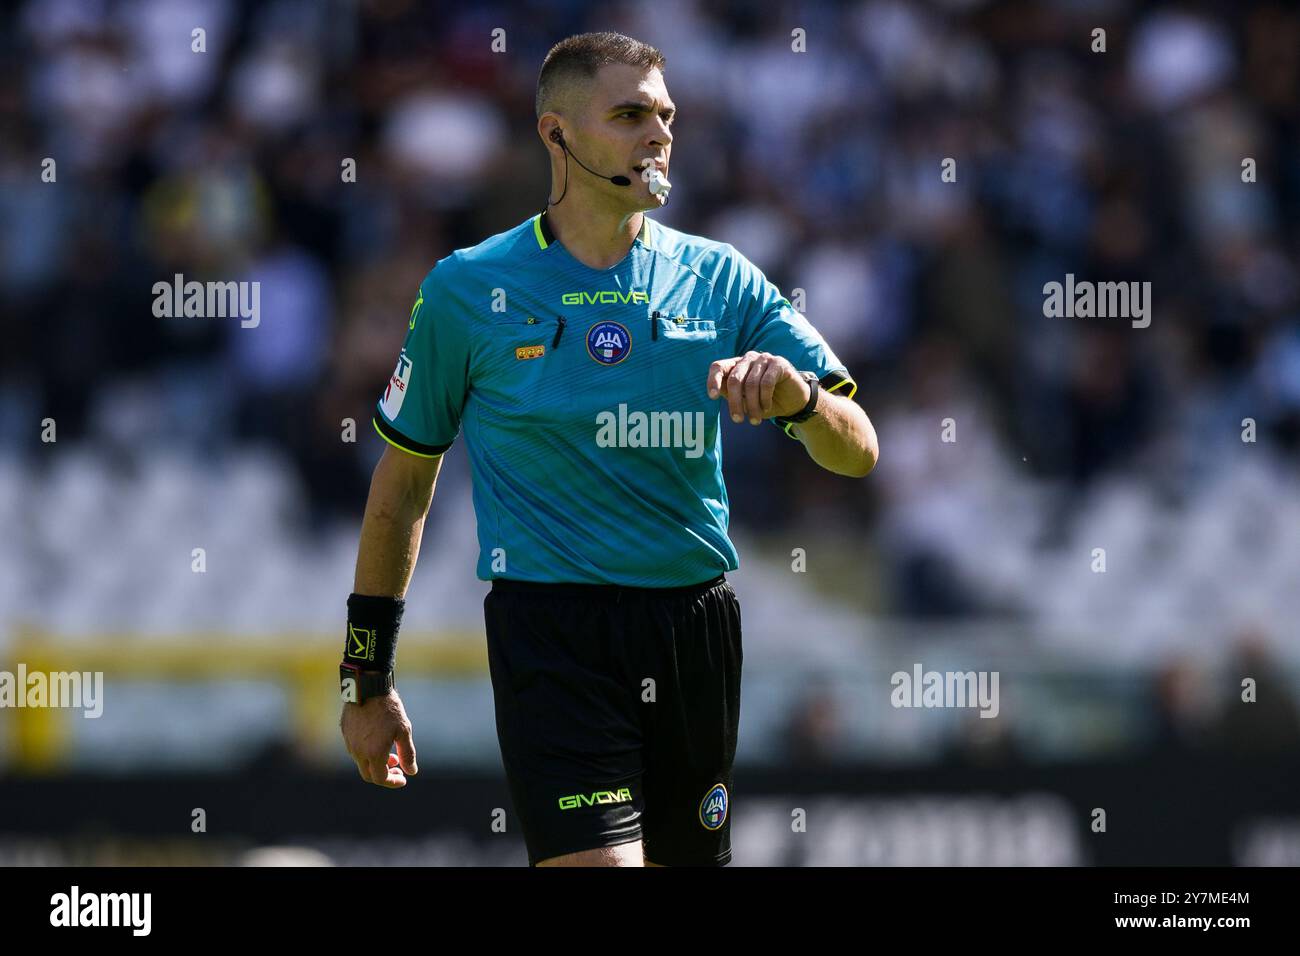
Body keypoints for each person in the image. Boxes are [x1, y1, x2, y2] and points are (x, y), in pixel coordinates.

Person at [339, 31, 878, 867]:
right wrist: (366, 679)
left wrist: (799, 400)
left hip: (692, 625)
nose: (657, 134)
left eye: (665, 116)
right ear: (556, 135)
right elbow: (404, 485)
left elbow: (858, 450)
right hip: (552, 632)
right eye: (628, 115)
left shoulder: (724, 277)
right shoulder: (466, 290)